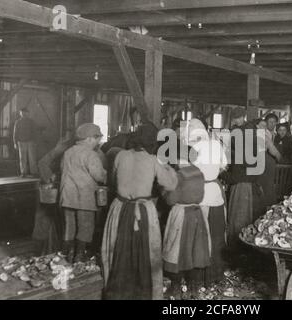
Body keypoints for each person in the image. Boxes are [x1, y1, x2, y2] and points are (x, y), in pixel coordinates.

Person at [102, 122, 178, 300]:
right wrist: (167, 167)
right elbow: (171, 184)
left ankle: (118, 289)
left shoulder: (120, 155)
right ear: (153, 142)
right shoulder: (153, 160)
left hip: (119, 208)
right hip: (142, 211)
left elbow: (112, 180)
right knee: (144, 252)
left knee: (120, 249)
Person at [162, 119, 227, 298]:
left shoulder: (188, 149)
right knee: (209, 238)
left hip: (195, 197)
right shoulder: (215, 144)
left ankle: (183, 279)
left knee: (188, 241)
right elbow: (223, 166)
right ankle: (208, 278)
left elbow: (179, 174)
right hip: (214, 192)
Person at [60, 123, 107, 263]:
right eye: (97, 139)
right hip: (84, 198)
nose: (98, 142)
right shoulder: (90, 154)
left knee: (70, 226)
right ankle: (79, 256)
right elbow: (99, 176)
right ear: (89, 139)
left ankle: (67, 255)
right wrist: (107, 174)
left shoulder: (68, 152)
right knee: (85, 226)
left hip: (67, 196)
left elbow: (62, 169)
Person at [226, 107, 264, 247]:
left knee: (240, 217)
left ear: (243, 117)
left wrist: (230, 153)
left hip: (243, 179)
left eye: (238, 118)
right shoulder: (244, 130)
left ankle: (238, 246)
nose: (235, 121)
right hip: (244, 177)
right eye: (234, 118)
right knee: (240, 215)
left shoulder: (247, 132)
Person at [255, 118, 281, 207]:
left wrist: (279, 158)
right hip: (259, 161)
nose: (264, 128)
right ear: (257, 126)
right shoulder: (260, 135)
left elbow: (273, 150)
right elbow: (274, 151)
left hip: (262, 161)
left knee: (265, 185)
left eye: (265, 126)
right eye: (262, 126)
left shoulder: (264, 135)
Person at [13, 108, 39, 177]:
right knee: (22, 158)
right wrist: (15, 143)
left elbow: (35, 132)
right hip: (21, 142)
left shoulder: (31, 122)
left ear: (28, 113)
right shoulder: (17, 122)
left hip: (30, 142)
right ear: (20, 114)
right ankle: (23, 173)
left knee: (32, 158)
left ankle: (34, 173)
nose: (24, 114)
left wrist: (35, 141)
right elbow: (15, 133)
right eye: (22, 113)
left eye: (25, 113)